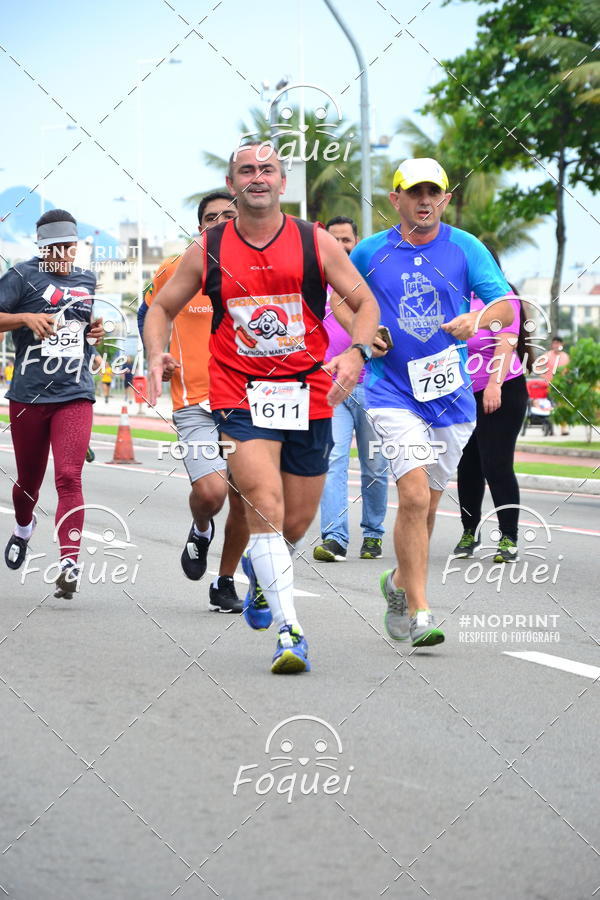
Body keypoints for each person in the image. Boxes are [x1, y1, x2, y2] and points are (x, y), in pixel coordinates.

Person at [144, 142, 379, 674]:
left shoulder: (314, 242)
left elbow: (365, 303)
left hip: (308, 393)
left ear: (282, 182)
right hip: (239, 394)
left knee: (295, 523)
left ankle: (258, 569)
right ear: (233, 183)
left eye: (267, 169)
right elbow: (160, 306)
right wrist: (155, 350)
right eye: (246, 170)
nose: (257, 177)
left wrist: (356, 353)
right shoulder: (208, 247)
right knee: (263, 504)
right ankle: (290, 631)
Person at [342, 157, 515, 647]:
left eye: (432, 192)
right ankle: (420, 611)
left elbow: (505, 305)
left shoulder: (465, 247)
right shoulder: (372, 251)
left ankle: (397, 583)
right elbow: (340, 298)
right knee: (413, 496)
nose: (424, 201)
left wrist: (479, 321)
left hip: (449, 396)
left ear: (444, 198)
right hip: (390, 389)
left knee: (428, 505)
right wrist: (364, 331)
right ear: (395, 199)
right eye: (413, 192)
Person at [139, 191, 247, 613]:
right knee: (211, 492)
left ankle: (224, 582)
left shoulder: (260, 270)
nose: (220, 223)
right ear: (199, 226)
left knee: (241, 498)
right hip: (195, 401)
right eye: (211, 218)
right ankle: (201, 529)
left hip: (248, 402)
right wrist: (155, 353)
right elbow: (151, 312)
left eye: (229, 216)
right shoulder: (178, 269)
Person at [0, 208, 103, 597]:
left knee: (69, 477)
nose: (62, 253)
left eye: (69, 246)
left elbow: (85, 331)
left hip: (74, 391)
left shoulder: (87, 279)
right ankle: (23, 528)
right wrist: (25, 318)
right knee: (28, 481)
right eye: (54, 247)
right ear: (41, 247)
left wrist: (94, 334)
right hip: (28, 393)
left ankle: (69, 563)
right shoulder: (21, 275)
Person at [313, 215, 388, 562]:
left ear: (357, 241)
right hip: (333, 390)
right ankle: (334, 537)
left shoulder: (371, 290)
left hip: (375, 389)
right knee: (333, 460)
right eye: (334, 239)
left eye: (347, 239)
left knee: (374, 465)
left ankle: (372, 533)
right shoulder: (314, 288)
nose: (341, 246)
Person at [452, 248, 528, 562]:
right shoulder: (459, 297)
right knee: (466, 466)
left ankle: (508, 537)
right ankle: (469, 531)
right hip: (462, 395)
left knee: (496, 464)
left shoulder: (503, 298)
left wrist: (494, 385)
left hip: (502, 389)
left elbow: (506, 342)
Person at [537, 336, 570, 435]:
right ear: (552, 344)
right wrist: (544, 376)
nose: (556, 345)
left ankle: (564, 429)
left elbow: (569, 370)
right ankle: (550, 429)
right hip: (549, 385)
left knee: (562, 407)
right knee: (550, 406)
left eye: (558, 343)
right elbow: (537, 367)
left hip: (562, 386)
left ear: (562, 344)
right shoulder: (547, 355)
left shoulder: (565, 356)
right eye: (554, 343)